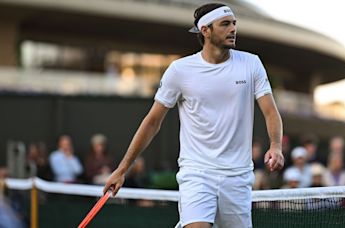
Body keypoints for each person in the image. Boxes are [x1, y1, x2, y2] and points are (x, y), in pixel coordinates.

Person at [104, 3, 284, 228]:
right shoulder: (180, 70)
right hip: (197, 173)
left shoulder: (251, 63)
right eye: (225, 24)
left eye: (234, 24)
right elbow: (151, 122)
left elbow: (270, 111)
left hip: (237, 176)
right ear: (205, 31)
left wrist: (275, 145)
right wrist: (122, 170)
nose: (233, 29)